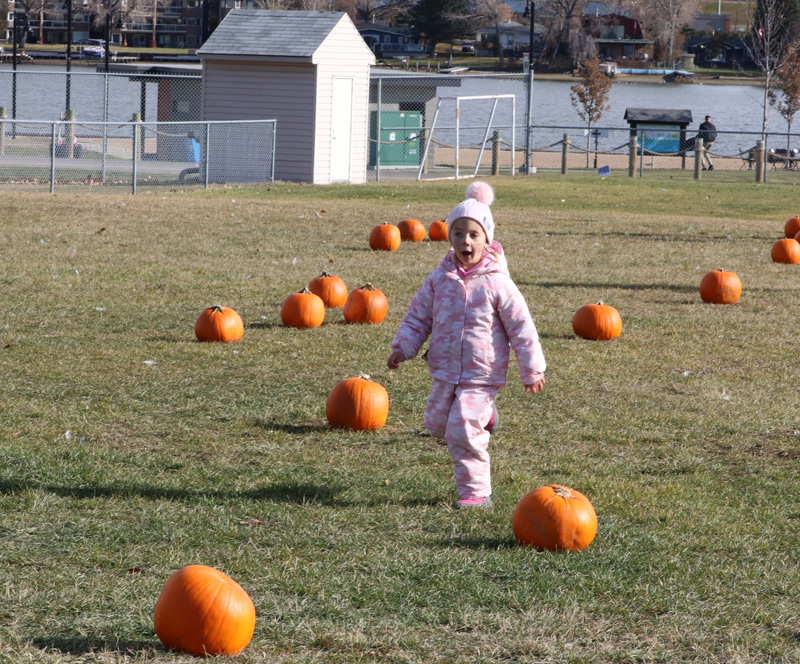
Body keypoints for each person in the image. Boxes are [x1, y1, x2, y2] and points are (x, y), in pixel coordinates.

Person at [387, 182, 546, 509]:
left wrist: (532, 369)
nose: (465, 241)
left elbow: (521, 326)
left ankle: (476, 494)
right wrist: (403, 347)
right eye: (458, 234)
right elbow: (419, 315)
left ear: (487, 239)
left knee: (462, 432)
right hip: (445, 367)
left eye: (474, 234)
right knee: (436, 424)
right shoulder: (439, 278)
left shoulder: (497, 281)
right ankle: (486, 416)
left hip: (481, 371)